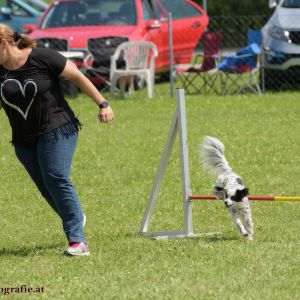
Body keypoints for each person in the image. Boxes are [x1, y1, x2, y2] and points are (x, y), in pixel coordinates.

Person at [0, 24, 114, 256]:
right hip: (23, 138)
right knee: (45, 188)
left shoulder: (42, 57)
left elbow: (78, 77)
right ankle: (75, 215)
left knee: (55, 176)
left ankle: (78, 242)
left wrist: (103, 103)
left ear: (3, 43)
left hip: (57, 126)